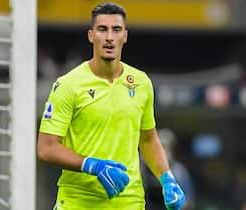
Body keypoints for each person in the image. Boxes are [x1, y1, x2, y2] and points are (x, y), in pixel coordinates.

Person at [37, 2, 185, 210]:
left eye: (116, 30)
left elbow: (148, 139)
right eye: (102, 29)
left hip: (129, 202)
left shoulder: (141, 83)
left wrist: (167, 178)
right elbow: (46, 148)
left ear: (124, 36)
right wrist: (93, 166)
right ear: (91, 35)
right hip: (78, 203)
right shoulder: (68, 85)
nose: (109, 37)